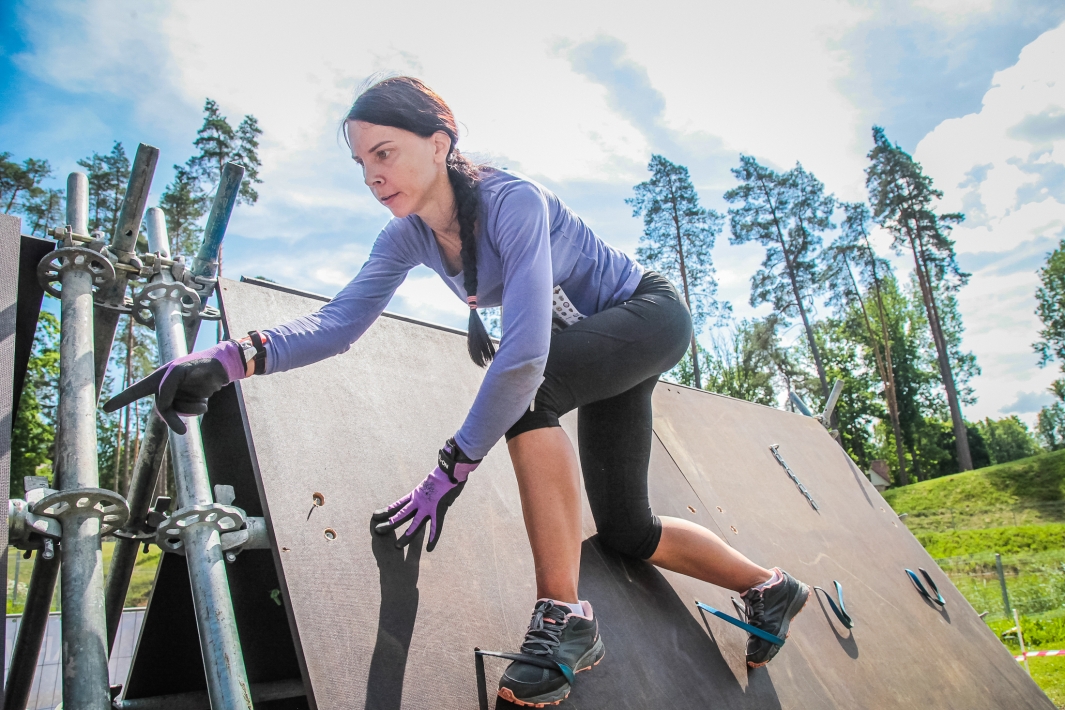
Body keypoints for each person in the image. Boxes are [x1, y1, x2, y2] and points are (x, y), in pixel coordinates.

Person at [105, 76, 811, 707]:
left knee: (528, 395)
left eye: (384, 153)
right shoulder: (406, 237)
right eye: (360, 163)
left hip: (647, 316)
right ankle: (769, 587)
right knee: (627, 530)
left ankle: (564, 619)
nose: (372, 176)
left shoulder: (512, 201)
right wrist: (230, 359)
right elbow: (339, 324)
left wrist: (453, 465)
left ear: (440, 142)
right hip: (597, 347)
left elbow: (525, 358)